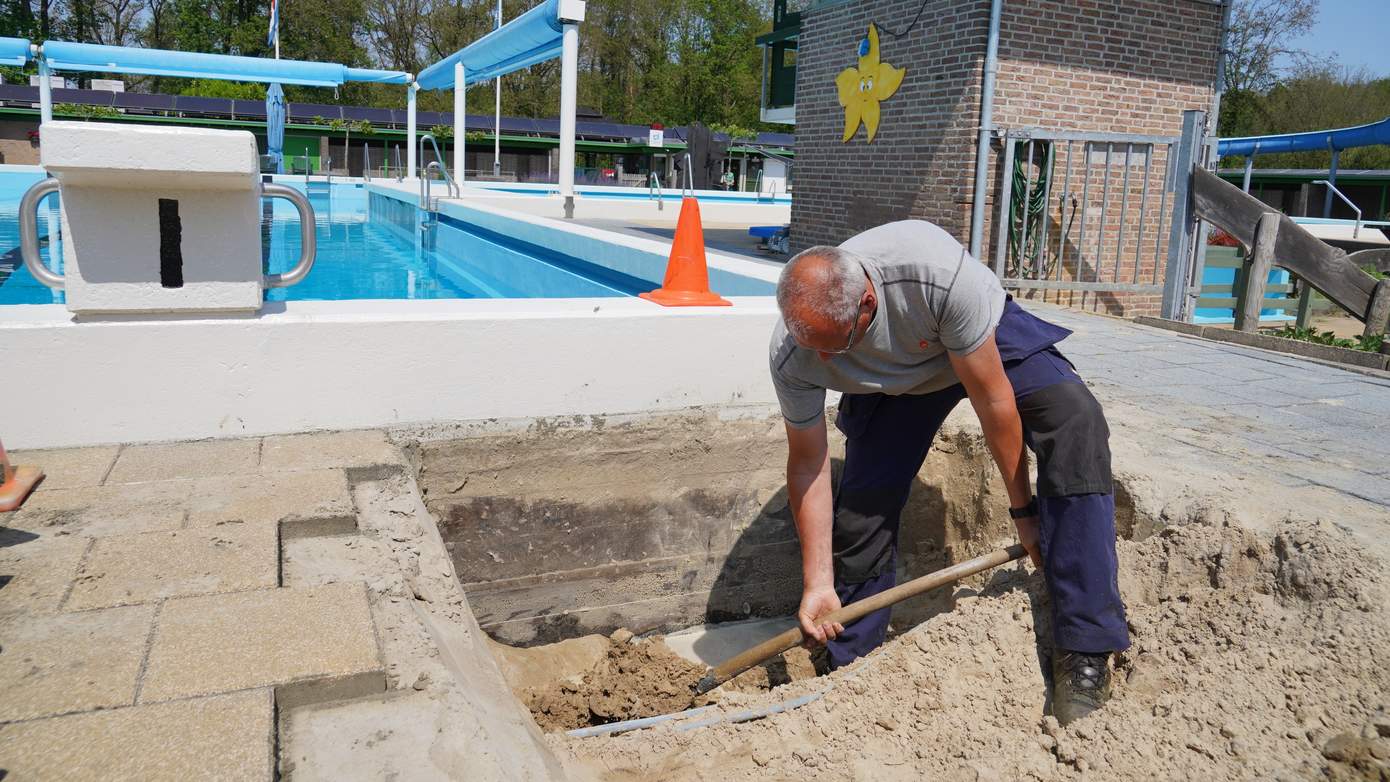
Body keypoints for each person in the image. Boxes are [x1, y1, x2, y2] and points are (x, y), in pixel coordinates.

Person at [768, 220, 1129, 725]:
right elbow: (808, 463)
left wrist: (1024, 513)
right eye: (813, 348)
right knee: (863, 505)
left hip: (973, 335)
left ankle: (1086, 649)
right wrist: (816, 581)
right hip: (896, 383)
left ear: (867, 305)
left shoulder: (934, 277)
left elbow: (993, 399)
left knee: (1075, 419)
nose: (822, 361)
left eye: (834, 346)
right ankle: (852, 663)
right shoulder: (795, 353)